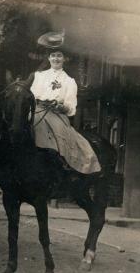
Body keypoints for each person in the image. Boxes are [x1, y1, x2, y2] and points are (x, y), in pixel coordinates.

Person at [30, 32, 100, 175]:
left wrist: (61, 106)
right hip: (36, 110)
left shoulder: (69, 81)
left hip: (56, 114)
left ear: (64, 59)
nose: (56, 58)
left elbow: (71, 108)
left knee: (58, 135)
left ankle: (61, 163)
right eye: (53, 55)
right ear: (48, 57)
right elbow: (30, 95)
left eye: (59, 56)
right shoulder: (38, 76)